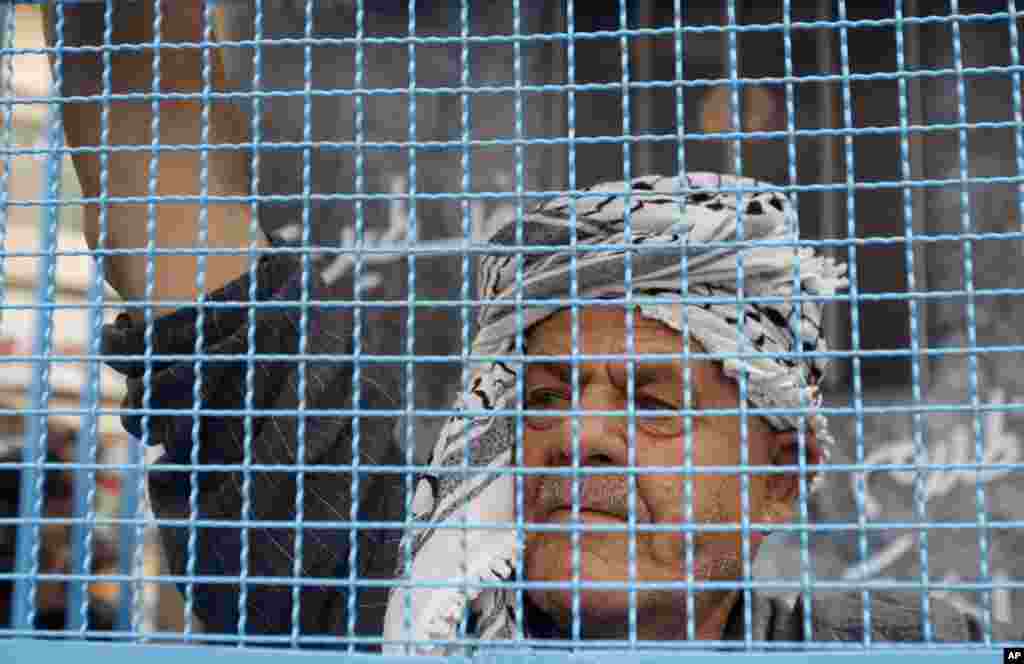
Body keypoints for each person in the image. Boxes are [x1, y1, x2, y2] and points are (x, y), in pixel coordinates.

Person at [51, 3, 1018, 651]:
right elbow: (145, 119)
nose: (576, 437)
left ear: (782, 476)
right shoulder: (366, 601)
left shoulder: (916, 646)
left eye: (653, 404)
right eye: (546, 396)